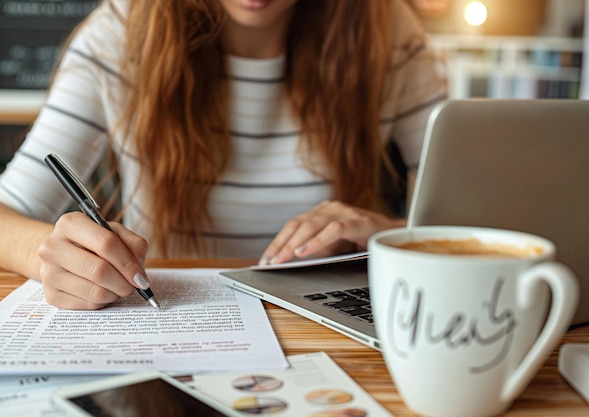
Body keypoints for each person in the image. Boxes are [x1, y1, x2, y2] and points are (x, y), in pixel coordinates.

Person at [0, 0, 446, 310]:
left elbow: (476, 224)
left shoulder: (384, 31)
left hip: (331, 327)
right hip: (173, 321)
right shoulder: (122, 33)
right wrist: (50, 254)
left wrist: (390, 233)